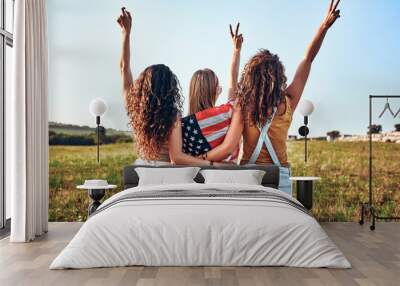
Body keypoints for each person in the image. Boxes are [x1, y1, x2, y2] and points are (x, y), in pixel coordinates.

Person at [238, 0, 342, 195]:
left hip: (247, 176)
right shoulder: (288, 101)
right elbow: (307, 60)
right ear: (278, 77)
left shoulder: (242, 106)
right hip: (281, 176)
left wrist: (236, 52)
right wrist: (323, 27)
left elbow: (230, 83)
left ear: (250, 78)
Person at [118, 8, 213, 166]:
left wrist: (126, 33)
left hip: (141, 169)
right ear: (171, 89)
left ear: (142, 87)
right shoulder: (172, 115)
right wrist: (210, 163)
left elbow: (124, 67)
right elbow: (176, 158)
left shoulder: (134, 106)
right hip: (166, 173)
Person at [173, 24, 244, 164]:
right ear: (213, 90)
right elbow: (233, 81)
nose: (222, 89)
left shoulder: (182, 125)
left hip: (195, 182)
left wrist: (236, 51)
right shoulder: (228, 113)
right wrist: (236, 51)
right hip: (227, 179)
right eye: (218, 86)